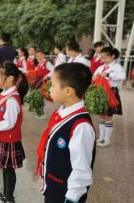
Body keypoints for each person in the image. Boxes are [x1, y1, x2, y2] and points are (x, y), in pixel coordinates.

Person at [36, 63, 95, 203]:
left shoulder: (81, 126)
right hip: (53, 186)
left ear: (68, 91)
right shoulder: (61, 111)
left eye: (53, 85)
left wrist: (71, 199)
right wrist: (44, 176)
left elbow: (81, 171)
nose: (49, 88)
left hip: (65, 195)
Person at [0, 61, 28, 203]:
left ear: (9, 78)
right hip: (2, 138)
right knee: (5, 168)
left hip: (9, 140)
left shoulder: (12, 99)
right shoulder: (4, 94)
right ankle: (5, 195)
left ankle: (9, 199)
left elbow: (9, 123)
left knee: (8, 170)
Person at [93, 47, 126, 147]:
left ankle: (107, 140)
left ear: (113, 56)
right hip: (100, 92)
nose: (103, 60)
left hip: (111, 92)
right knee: (101, 117)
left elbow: (122, 77)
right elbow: (94, 76)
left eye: (105, 58)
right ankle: (101, 138)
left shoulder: (117, 67)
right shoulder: (100, 67)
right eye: (102, 58)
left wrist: (108, 74)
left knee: (108, 117)